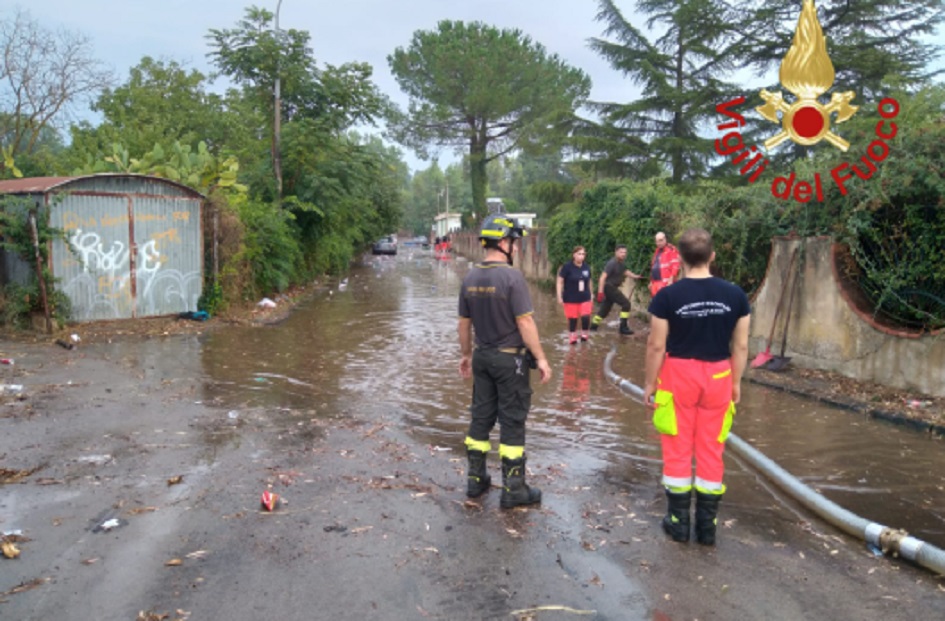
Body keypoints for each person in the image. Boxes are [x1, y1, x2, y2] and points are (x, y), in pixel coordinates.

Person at [642, 228, 750, 546]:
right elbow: (741, 347)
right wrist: (736, 382)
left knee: (677, 449)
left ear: (680, 260)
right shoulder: (736, 295)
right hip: (719, 376)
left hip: (678, 377)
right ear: (712, 256)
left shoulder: (667, 297)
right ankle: (707, 527)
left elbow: (656, 346)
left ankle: (678, 523)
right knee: (711, 450)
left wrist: (649, 383)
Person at [458, 214, 552, 509]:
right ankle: (514, 488)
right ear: (502, 242)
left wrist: (466, 354)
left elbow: (464, 324)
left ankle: (475, 479)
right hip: (510, 361)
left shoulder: (470, 278)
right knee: (512, 420)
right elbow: (525, 324)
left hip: (482, 358)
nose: (515, 246)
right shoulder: (512, 278)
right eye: (513, 241)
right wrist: (542, 358)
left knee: (481, 416)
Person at [590, 244, 643, 335]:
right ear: (616, 252)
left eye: (625, 252)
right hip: (609, 287)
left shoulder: (621, 263)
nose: (623, 254)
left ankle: (593, 327)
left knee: (604, 311)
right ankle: (623, 327)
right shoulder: (612, 263)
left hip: (611, 288)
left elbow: (626, 272)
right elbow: (602, 278)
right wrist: (600, 292)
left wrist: (635, 276)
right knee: (626, 304)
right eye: (621, 252)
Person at [556, 246, 594, 345]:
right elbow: (560, 282)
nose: (581, 256)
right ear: (574, 255)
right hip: (570, 297)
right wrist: (559, 296)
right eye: (579, 254)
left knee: (586, 316)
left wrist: (591, 293)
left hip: (585, 297)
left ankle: (584, 334)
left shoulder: (586, 267)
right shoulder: (567, 267)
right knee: (573, 319)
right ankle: (572, 336)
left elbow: (589, 281)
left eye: (583, 254)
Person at [649, 231, 681, 297]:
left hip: (665, 283)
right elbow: (654, 267)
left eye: (660, 240)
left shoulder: (671, 250)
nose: (658, 243)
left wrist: (671, 278)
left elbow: (675, 265)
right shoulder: (657, 251)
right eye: (657, 241)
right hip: (656, 283)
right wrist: (651, 282)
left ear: (665, 239)